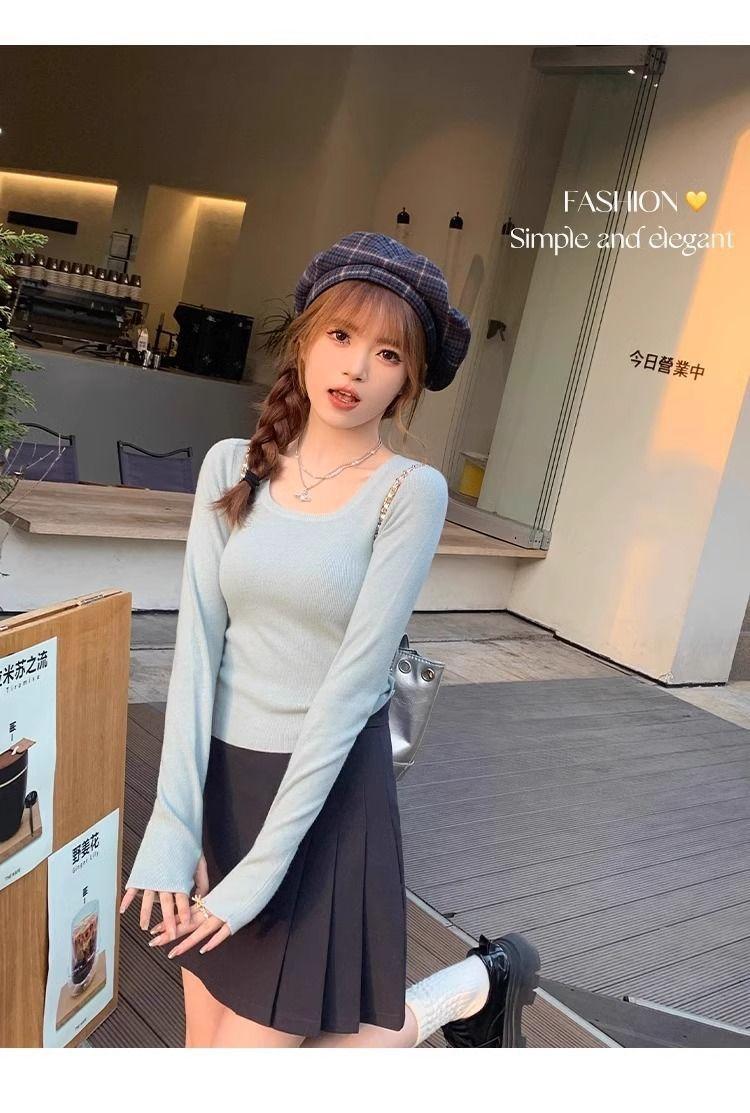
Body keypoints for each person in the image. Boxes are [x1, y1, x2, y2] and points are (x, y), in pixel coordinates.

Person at [120, 231, 540, 1049]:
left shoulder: (408, 491)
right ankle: (475, 986)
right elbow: (197, 652)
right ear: (305, 339)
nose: (355, 368)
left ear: (409, 378)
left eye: (387, 353)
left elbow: (352, 687)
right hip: (223, 788)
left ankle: (464, 990)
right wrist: (174, 821)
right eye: (342, 336)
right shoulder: (230, 467)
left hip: (321, 796)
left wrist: (261, 873)